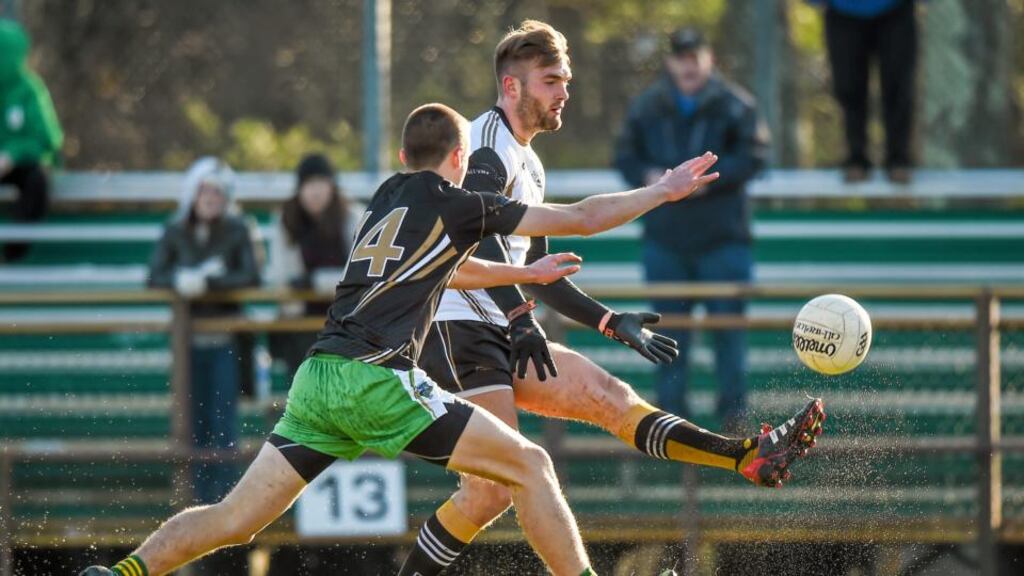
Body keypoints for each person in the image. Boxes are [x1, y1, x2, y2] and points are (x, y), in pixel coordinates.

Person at [80, 102, 721, 576]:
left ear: (402, 158)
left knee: (233, 521)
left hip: (319, 379)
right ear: (462, 159)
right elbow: (580, 218)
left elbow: (450, 267)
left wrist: (524, 272)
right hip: (376, 378)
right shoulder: (459, 202)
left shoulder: (385, 201)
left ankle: (122, 573)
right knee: (532, 465)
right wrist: (664, 191)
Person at [399, 22, 816, 576]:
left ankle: (744, 456)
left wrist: (608, 320)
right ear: (512, 86)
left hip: (497, 323)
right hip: (458, 328)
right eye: (551, 80)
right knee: (512, 477)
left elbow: (537, 269)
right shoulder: (486, 148)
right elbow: (482, 236)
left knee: (604, 401)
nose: (564, 91)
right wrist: (522, 317)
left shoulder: (530, 161)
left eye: (565, 80)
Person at [613, 27, 768, 433]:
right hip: (666, 241)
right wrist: (651, 177)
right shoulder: (647, 106)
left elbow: (755, 156)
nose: (688, 63)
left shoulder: (736, 105)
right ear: (670, 62)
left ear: (709, 58)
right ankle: (671, 426)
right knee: (666, 338)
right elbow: (625, 155)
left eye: (695, 54)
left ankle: (735, 427)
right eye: (681, 56)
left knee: (728, 339)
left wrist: (707, 180)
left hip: (723, 241)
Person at [147, 157, 261, 508]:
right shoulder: (176, 230)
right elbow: (155, 276)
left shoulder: (239, 228)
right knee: (192, 422)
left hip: (225, 341)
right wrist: (181, 280)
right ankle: (193, 500)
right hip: (188, 345)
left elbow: (252, 276)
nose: (211, 198)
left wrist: (210, 282)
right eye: (205, 191)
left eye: (217, 192)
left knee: (223, 421)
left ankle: (223, 500)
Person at [267, 153, 363, 378]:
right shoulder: (286, 221)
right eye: (309, 184)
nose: (316, 192)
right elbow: (280, 276)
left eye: (321, 183)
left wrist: (316, 282)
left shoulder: (352, 217)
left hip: (346, 326)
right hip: (300, 326)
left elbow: (361, 274)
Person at [808, 0, 919, 183]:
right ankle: (856, 158)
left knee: (898, 86)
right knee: (848, 87)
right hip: (842, 12)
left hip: (896, 10)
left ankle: (898, 159)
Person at [0, 19, 63, 262]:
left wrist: (11, 155)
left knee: (38, 180)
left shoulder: (29, 89)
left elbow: (47, 138)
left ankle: (11, 254)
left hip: (20, 167)